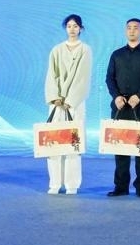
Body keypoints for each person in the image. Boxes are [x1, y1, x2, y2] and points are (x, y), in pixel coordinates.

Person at [104, 18, 140, 197]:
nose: (132, 30)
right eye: (129, 28)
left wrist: (139, 96)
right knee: (120, 148)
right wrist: (116, 96)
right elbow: (109, 78)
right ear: (125, 31)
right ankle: (121, 186)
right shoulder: (116, 54)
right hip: (120, 106)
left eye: (136, 28)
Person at [44, 14, 92, 195]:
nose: (72, 29)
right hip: (56, 103)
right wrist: (55, 97)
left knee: (73, 143)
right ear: (66, 28)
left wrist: (70, 100)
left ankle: (72, 184)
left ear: (81, 28)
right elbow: (51, 75)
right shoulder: (56, 50)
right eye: (69, 26)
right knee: (54, 143)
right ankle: (55, 183)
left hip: (75, 104)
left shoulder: (85, 50)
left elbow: (82, 78)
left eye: (75, 26)